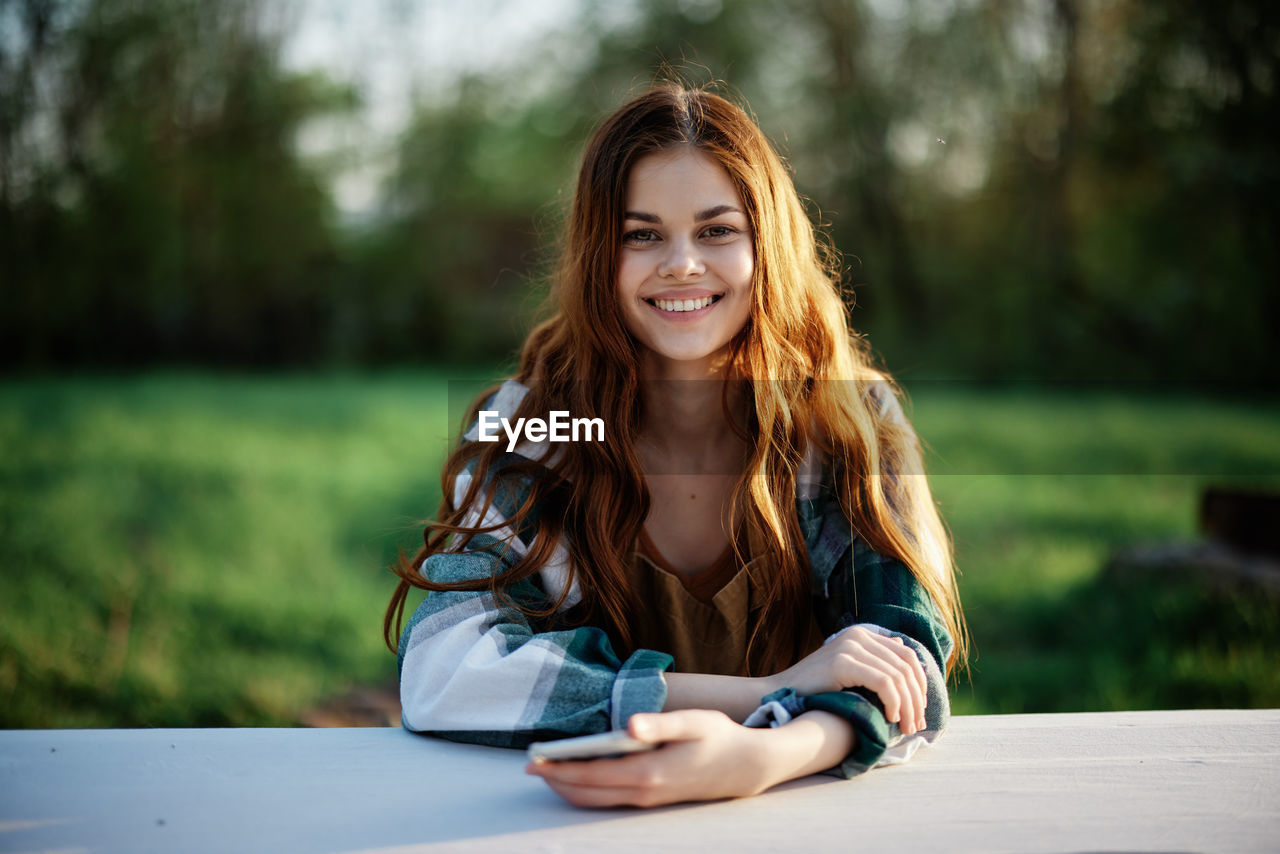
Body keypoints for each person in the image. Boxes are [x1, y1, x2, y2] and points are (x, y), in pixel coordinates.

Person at [384, 83, 968, 808]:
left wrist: (760, 757)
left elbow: (905, 663)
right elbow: (444, 667)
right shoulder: (538, 421)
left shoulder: (847, 420)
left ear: (767, 245)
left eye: (717, 230)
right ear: (602, 253)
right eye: (643, 234)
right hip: (554, 820)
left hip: (806, 819)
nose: (682, 263)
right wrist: (764, 692)